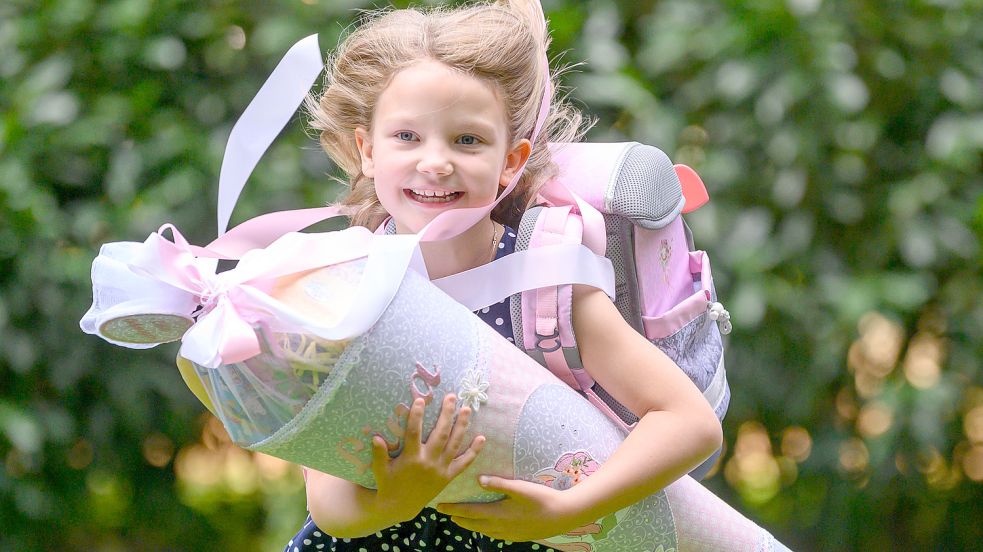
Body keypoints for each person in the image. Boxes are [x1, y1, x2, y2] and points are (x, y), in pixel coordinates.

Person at [284, 1, 722, 550]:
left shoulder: (544, 284)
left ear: (510, 162)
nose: (436, 162)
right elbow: (328, 504)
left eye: (467, 140)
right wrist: (396, 497)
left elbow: (688, 421)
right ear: (366, 150)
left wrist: (570, 507)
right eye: (406, 137)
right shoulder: (345, 287)